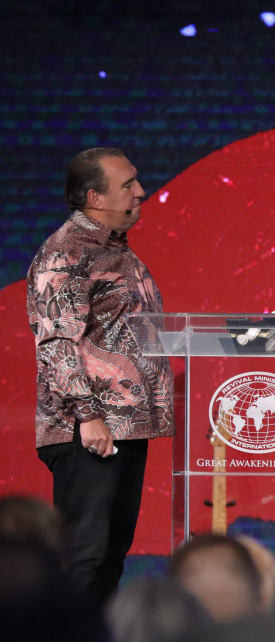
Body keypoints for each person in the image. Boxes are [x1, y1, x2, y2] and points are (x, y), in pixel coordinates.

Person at [26, 147, 174, 601]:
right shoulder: (67, 254)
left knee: (111, 555)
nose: (141, 192)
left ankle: (96, 640)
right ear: (95, 197)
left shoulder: (114, 251)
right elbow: (57, 343)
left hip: (126, 426)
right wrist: (87, 416)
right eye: (128, 185)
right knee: (83, 556)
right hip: (89, 429)